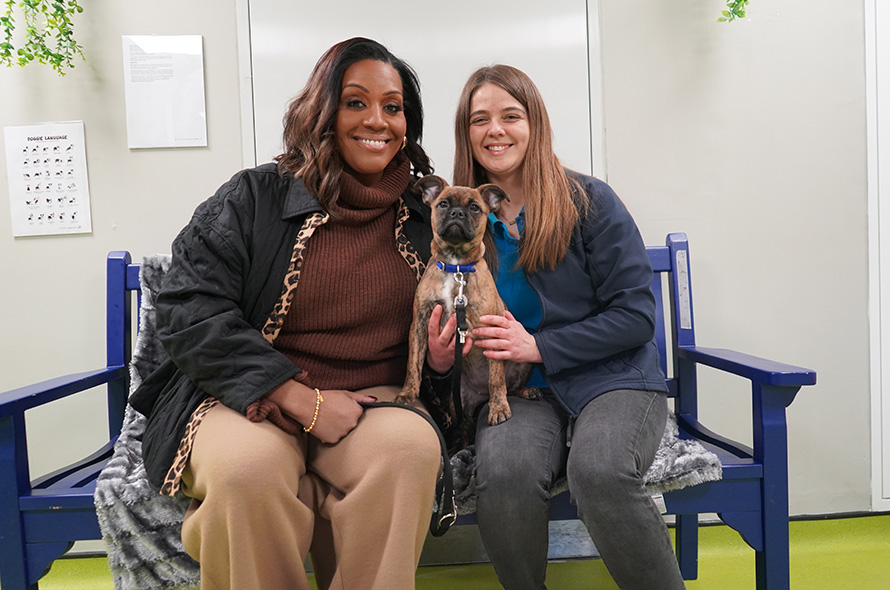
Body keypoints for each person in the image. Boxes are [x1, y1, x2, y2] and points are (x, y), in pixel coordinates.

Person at [129, 37, 458, 590]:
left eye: (393, 106)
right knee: (247, 471)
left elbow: (439, 340)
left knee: (407, 450)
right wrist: (298, 397)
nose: (377, 119)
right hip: (247, 396)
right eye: (356, 102)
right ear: (322, 111)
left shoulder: (428, 215)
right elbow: (188, 309)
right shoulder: (252, 198)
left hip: (368, 403)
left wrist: (442, 363)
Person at [451, 64, 687, 590]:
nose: (495, 130)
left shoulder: (590, 201)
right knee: (504, 474)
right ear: (465, 133)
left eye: (511, 115)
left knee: (600, 471)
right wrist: (446, 350)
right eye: (479, 119)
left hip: (614, 379)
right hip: (522, 394)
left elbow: (635, 316)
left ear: (534, 123)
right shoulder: (460, 219)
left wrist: (537, 345)